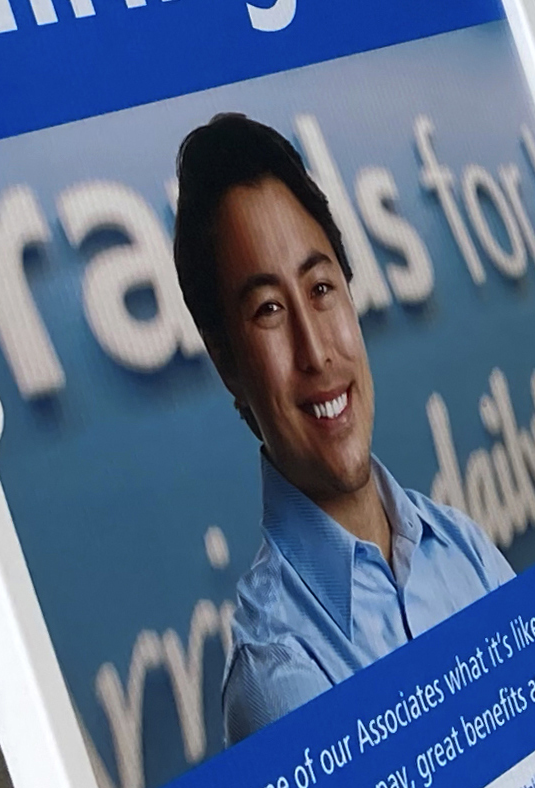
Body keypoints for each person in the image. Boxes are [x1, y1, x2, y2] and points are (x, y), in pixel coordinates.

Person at [172, 112, 511, 736]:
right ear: (226, 364)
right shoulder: (277, 676)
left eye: (322, 288)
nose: (316, 351)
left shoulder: (462, 546)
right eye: (269, 309)